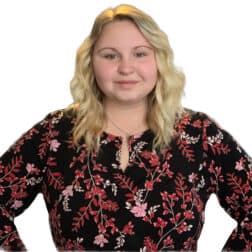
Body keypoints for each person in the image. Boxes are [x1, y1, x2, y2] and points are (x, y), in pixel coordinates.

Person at [0, 4, 251, 251]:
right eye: (110, 55)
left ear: (159, 60)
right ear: (90, 62)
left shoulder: (199, 135)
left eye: (140, 53)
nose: (126, 68)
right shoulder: (55, 133)